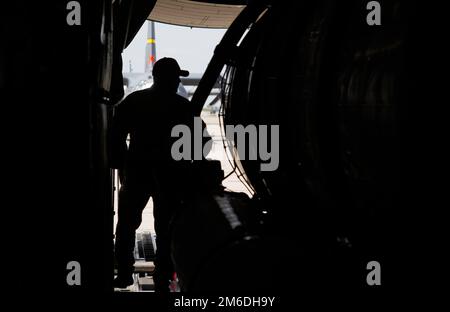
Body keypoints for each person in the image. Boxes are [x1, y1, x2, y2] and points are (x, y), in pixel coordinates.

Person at [110, 57, 206, 291]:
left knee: (126, 226)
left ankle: (123, 273)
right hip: (171, 176)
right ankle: (162, 276)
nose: (177, 83)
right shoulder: (183, 107)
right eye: (176, 78)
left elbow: (115, 134)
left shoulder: (134, 101)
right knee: (166, 229)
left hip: (136, 173)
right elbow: (200, 143)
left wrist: (122, 162)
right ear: (171, 79)